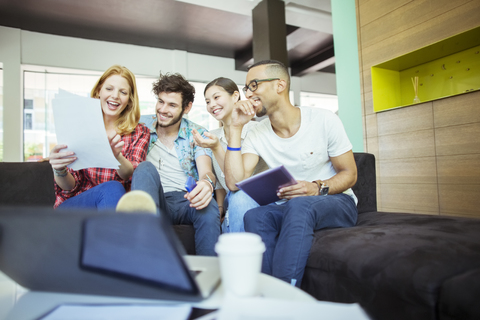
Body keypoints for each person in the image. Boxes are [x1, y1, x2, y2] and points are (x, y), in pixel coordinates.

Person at [224, 60, 358, 287]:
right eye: (247, 88)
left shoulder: (324, 119)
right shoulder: (257, 133)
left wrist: (316, 187)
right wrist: (235, 128)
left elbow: (350, 174)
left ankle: (285, 293)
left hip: (335, 200)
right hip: (291, 207)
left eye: (254, 85)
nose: (249, 94)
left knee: (300, 205)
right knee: (256, 216)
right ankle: (264, 291)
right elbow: (234, 183)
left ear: (280, 85)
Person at [122, 72, 220, 256]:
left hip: (186, 200)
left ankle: (210, 276)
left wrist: (207, 183)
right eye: (161, 101)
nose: (163, 109)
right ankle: (144, 261)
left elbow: (206, 170)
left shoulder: (197, 133)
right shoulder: (139, 126)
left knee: (208, 206)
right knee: (144, 168)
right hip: (153, 198)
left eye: (172, 105)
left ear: (187, 107)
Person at [49, 65, 150, 210]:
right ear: (99, 91)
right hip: (76, 207)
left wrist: (117, 157)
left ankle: (109, 231)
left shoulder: (140, 132)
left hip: (113, 209)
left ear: (129, 99)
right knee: (111, 189)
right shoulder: (79, 126)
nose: (115, 96)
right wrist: (59, 169)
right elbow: (70, 186)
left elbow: (130, 174)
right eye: (109, 89)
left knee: (113, 189)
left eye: (123, 92)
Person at [193, 77, 267, 233]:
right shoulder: (211, 135)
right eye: (207, 102)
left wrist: (216, 148)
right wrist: (220, 206)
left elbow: (239, 183)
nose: (212, 105)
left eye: (216, 97)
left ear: (235, 96)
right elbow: (221, 182)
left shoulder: (257, 130)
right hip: (230, 200)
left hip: (256, 199)